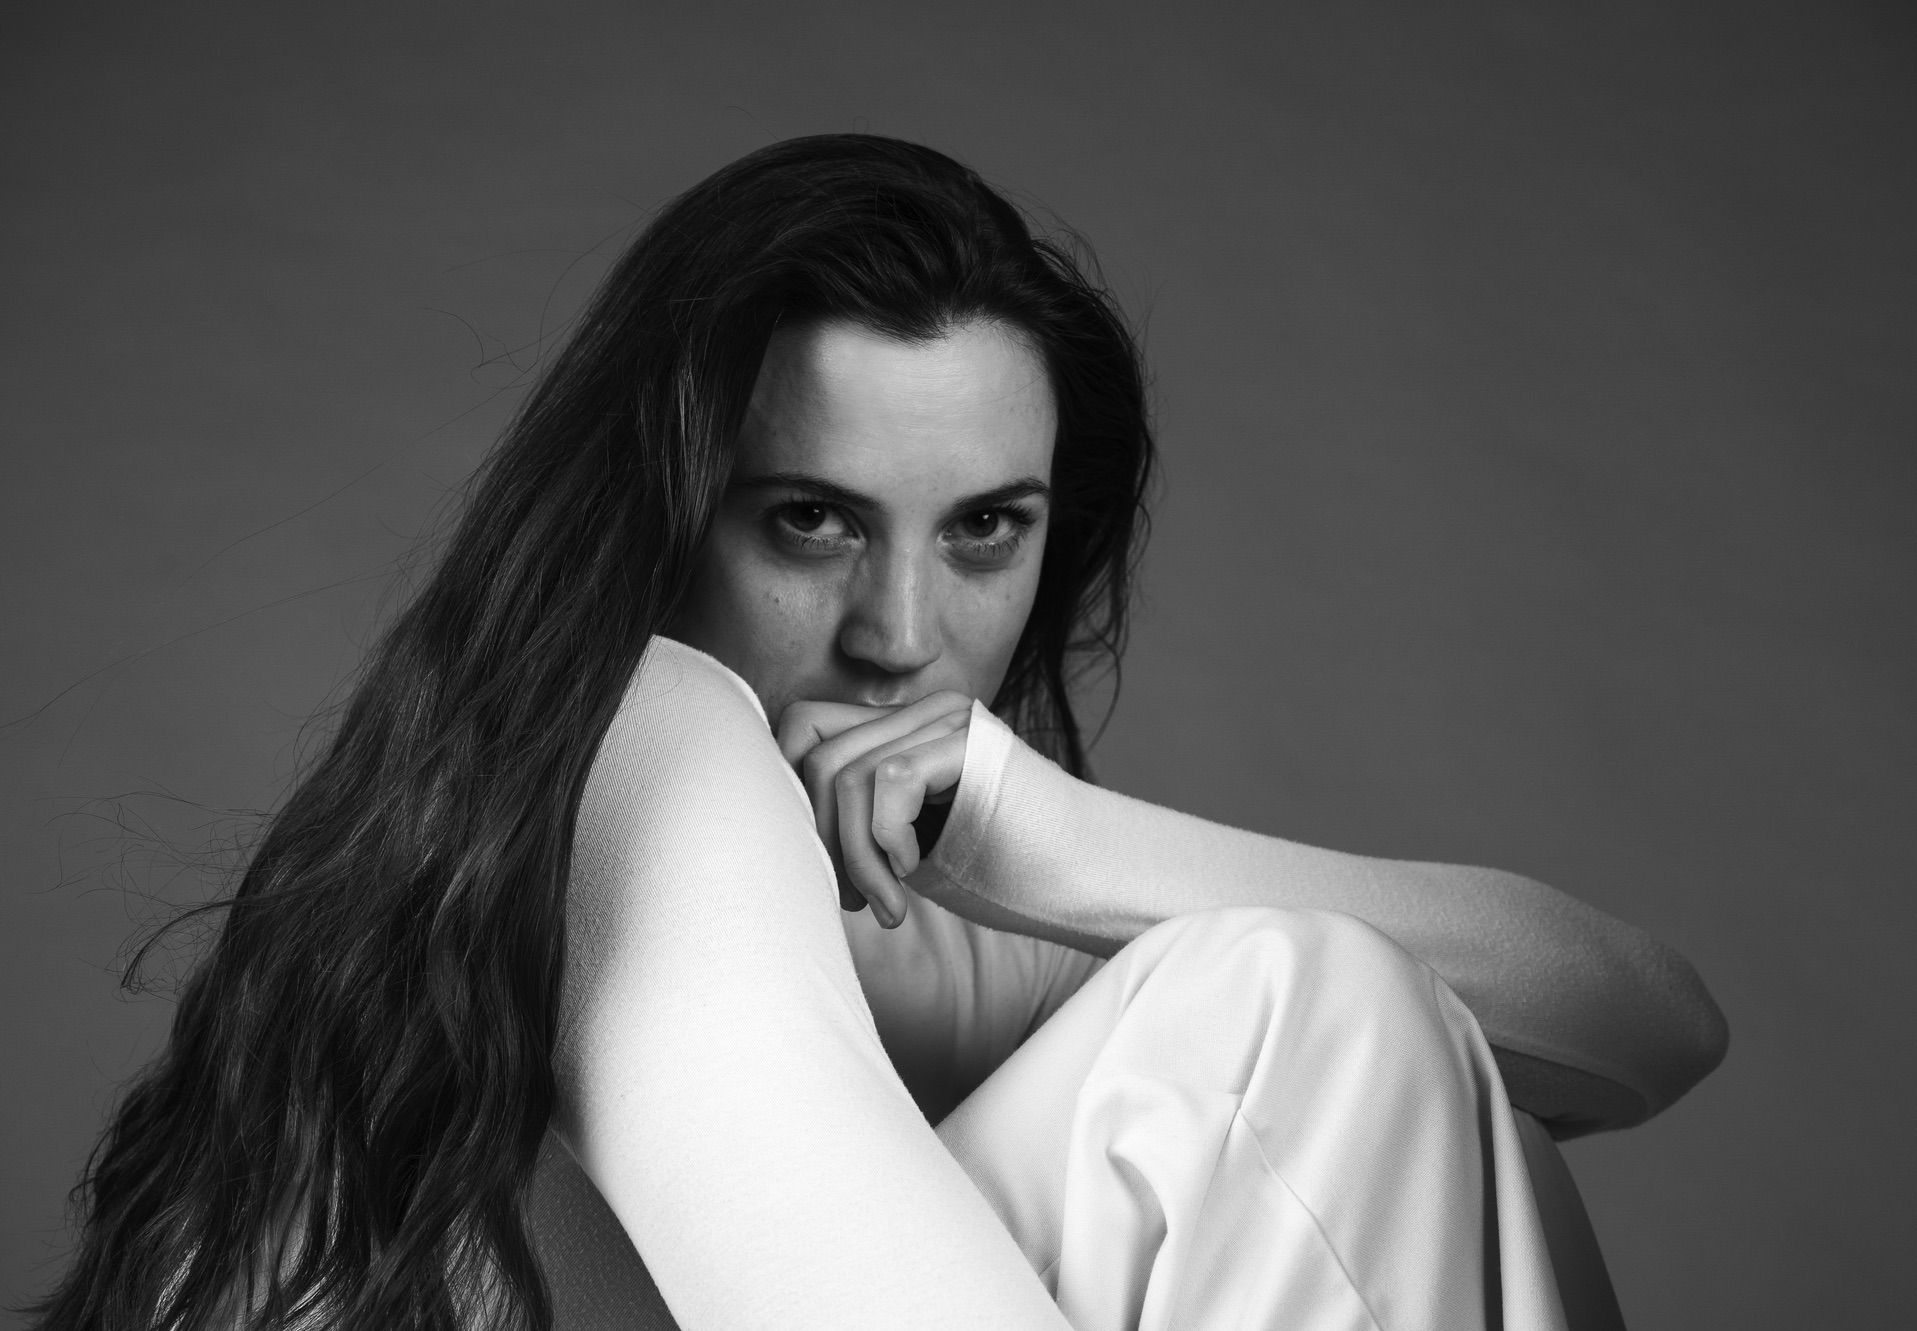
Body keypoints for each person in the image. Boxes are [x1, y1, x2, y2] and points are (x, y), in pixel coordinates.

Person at [31, 135, 1726, 1330]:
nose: (901, 636)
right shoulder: (638, 751)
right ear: (662, 516)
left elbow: (1646, 1028)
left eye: (985, 530)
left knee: (1358, 1024)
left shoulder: (965, 935)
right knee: (1297, 998)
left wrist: (1042, 835)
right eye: (812, 521)